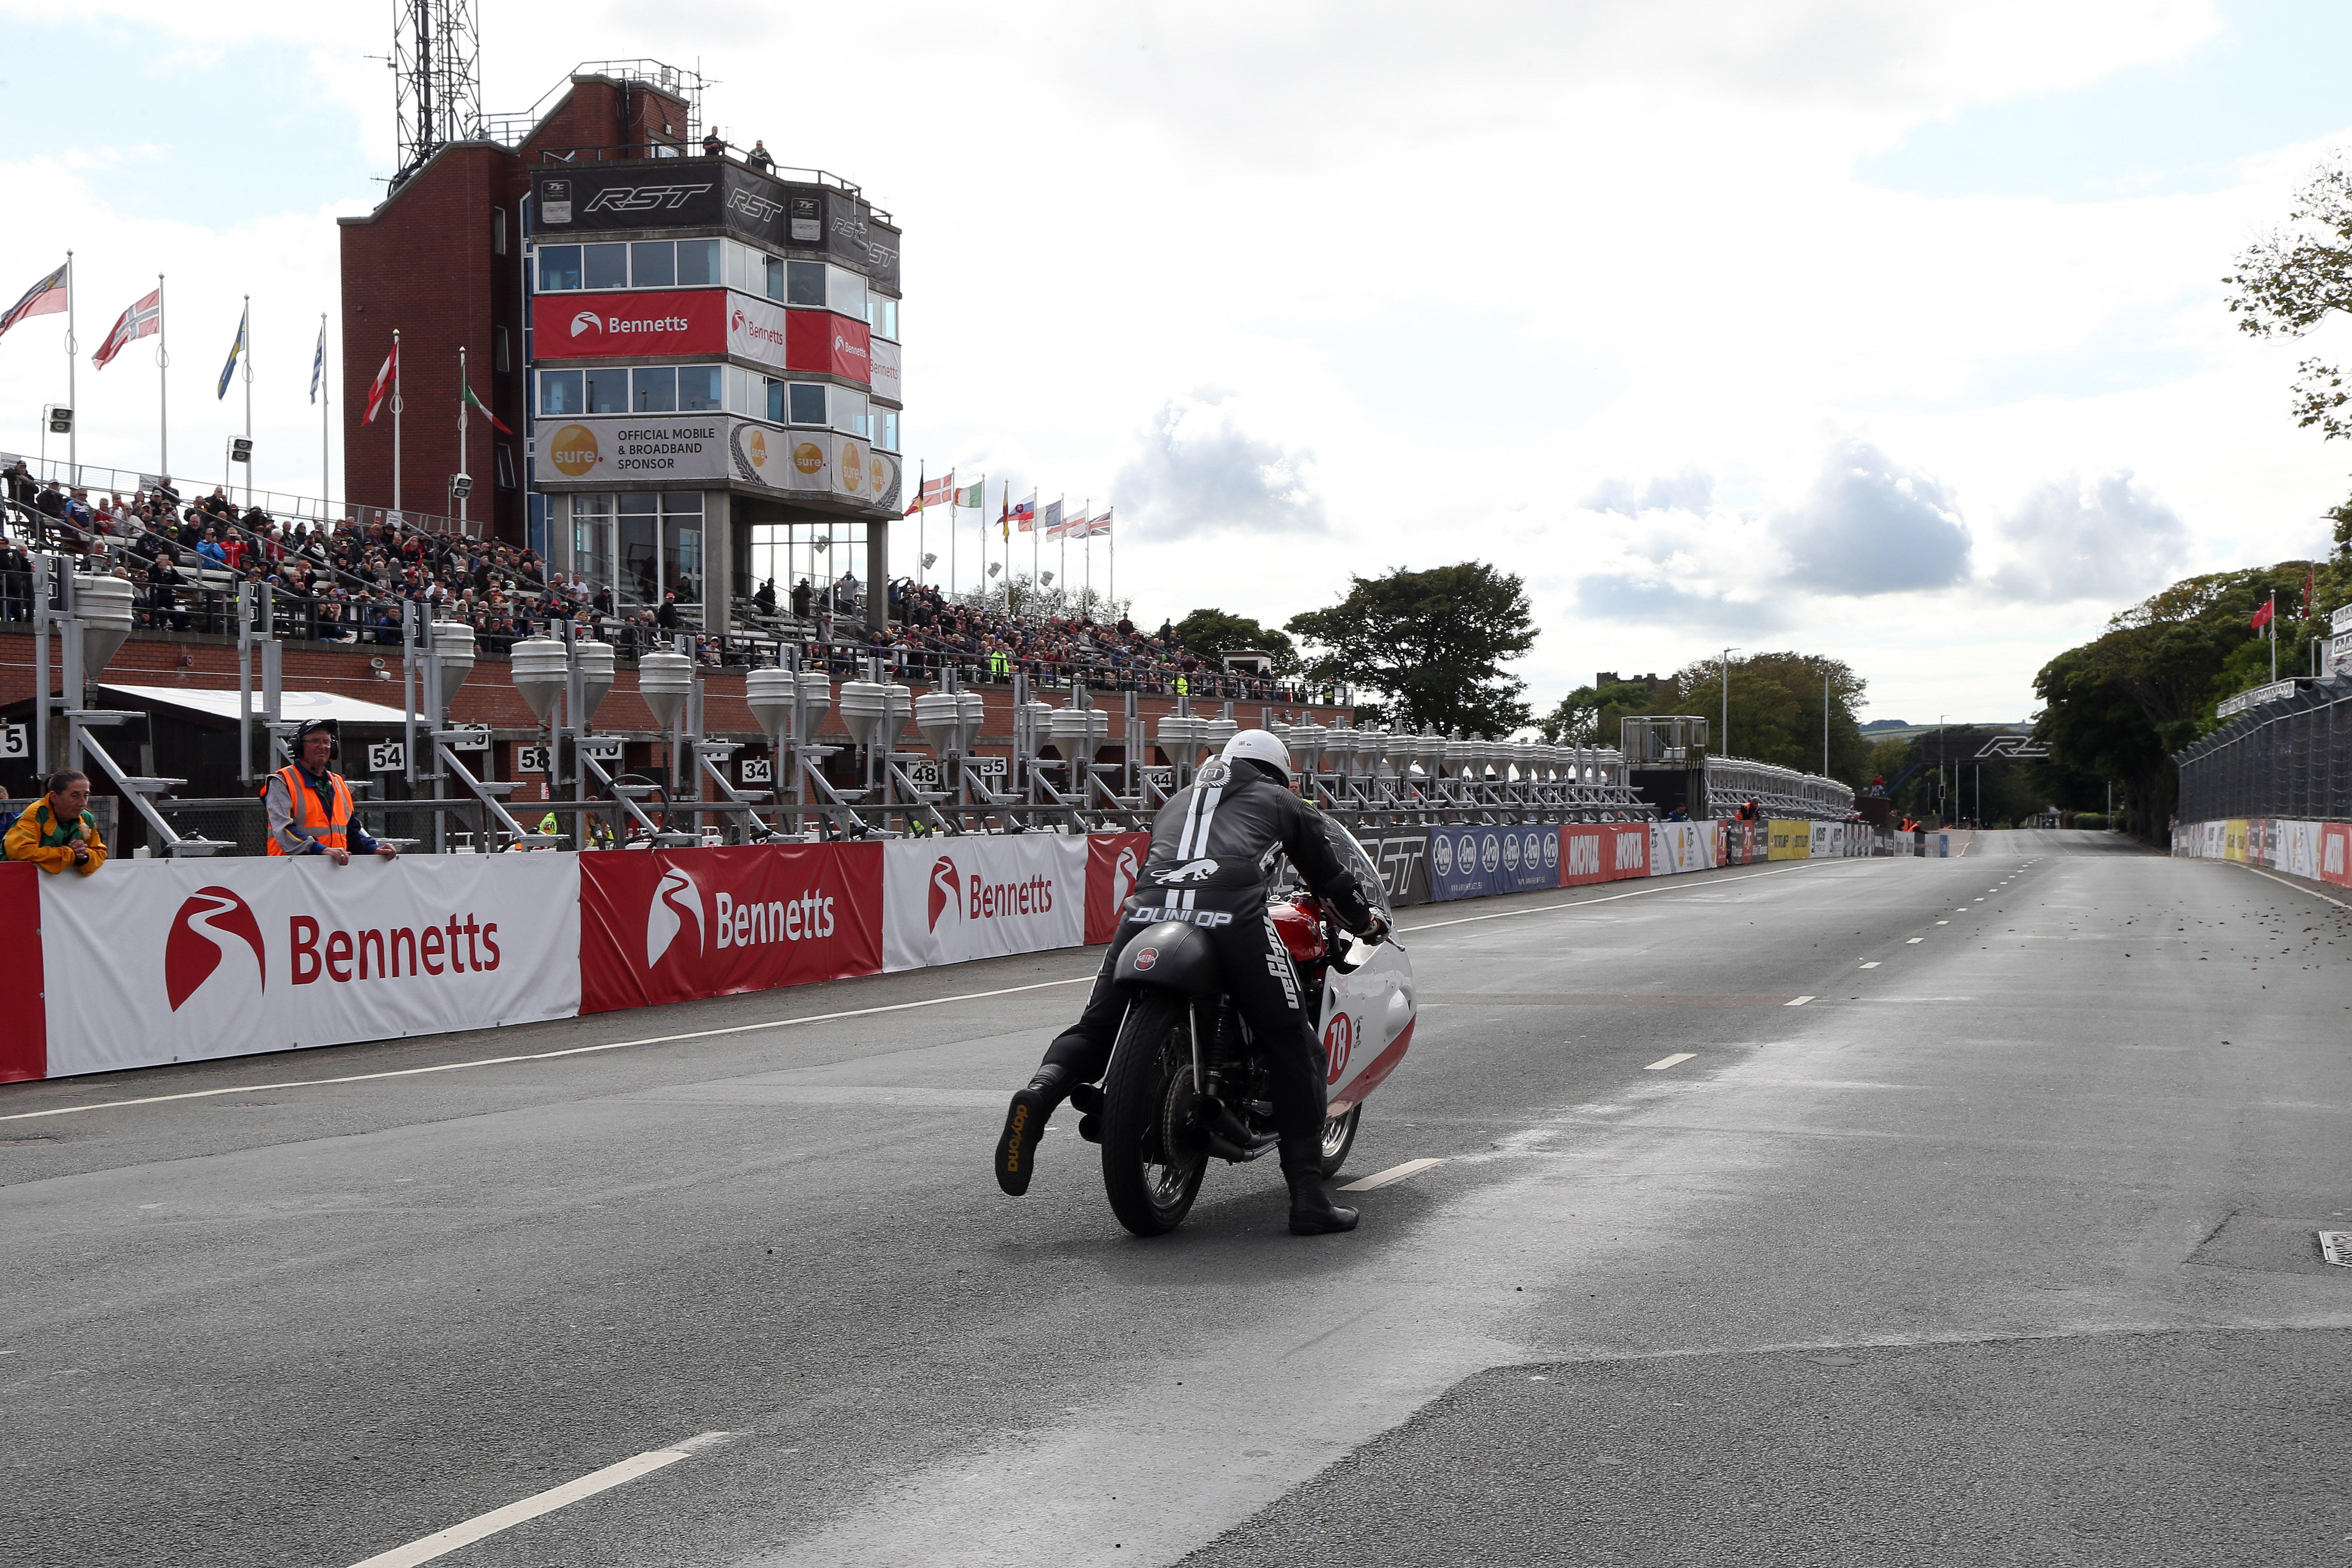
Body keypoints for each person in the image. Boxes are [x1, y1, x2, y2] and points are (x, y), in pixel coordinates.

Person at [993, 730, 1388, 1236]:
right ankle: (1309, 1199)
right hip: (1233, 913)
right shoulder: (1283, 800)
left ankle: (1039, 1096)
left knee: (1095, 1029)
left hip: (1146, 912)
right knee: (1296, 1047)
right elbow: (1331, 882)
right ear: (1278, 771)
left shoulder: (1176, 800)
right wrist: (1364, 924)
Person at [263, 720, 397, 862]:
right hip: (292, 871)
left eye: (327, 742)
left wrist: (374, 848)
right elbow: (284, 830)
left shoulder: (338, 783)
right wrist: (322, 850)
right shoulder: (281, 781)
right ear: (298, 747)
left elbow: (351, 831)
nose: (323, 747)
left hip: (333, 871)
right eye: (315, 741)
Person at [6, 769, 106, 875]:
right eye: (75, 796)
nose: (83, 803)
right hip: (18, 880)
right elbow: (20, 852)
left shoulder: (86, 818)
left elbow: (100, 852)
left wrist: (84, 857)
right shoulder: (36, 814)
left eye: (86, 796)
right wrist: (70, 854)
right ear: (54, 797)